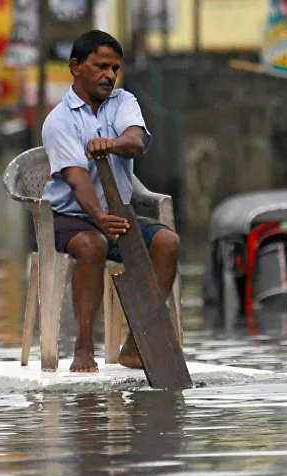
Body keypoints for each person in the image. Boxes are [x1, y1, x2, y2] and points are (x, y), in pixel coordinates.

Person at [41, 30, 180, 374]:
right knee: (92, 246)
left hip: (116, 214)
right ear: (75, 67)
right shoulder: (59, 121)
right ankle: (84, 348)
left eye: (114, 68)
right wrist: (100, 217)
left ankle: (135, 345)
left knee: (167, 242)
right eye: (100, 66)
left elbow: (134, 140)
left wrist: (111, 145)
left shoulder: (123, 101)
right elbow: (78, 180)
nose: (109, 75)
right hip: (69, 216)